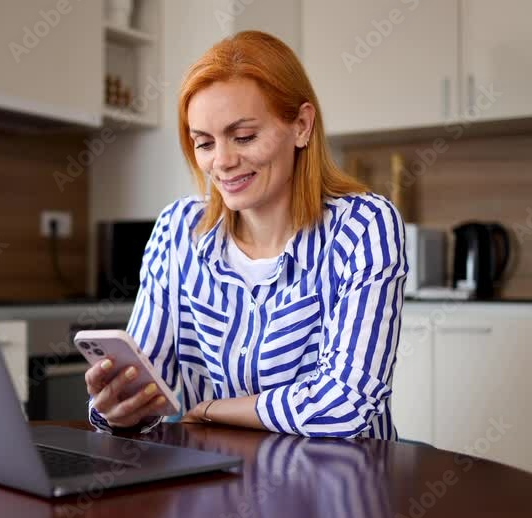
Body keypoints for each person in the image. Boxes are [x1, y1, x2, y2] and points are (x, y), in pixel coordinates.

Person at [84, 30, 408, 439]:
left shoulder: (364, 226)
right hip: (218, 486)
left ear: (302, 126)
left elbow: (346, 405)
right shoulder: (178, 231)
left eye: (244, 137)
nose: (222, 162)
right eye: (204, 143)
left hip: (338, 489)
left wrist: (212, 410)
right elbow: (149, 386)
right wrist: (120, 409)